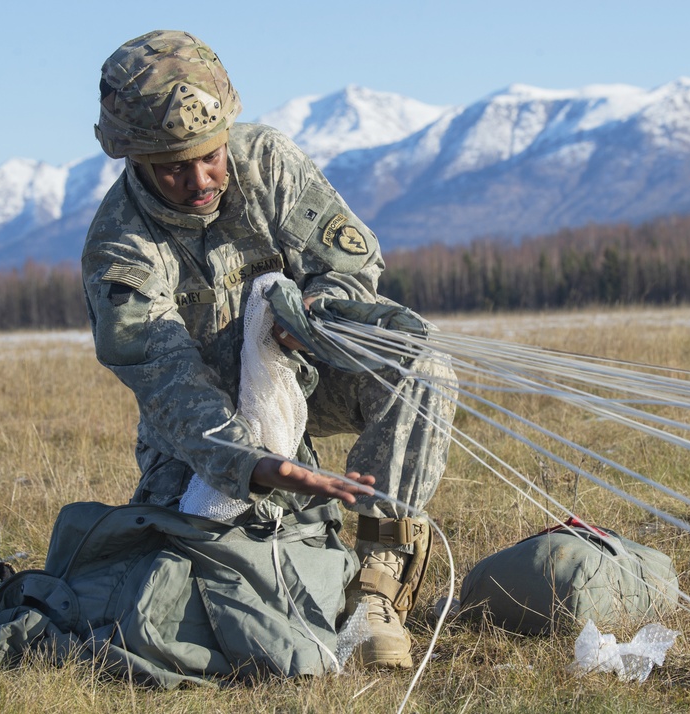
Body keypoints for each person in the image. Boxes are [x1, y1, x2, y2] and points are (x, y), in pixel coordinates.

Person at [82, 29, 456, 670]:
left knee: (417, 363)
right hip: (200, 435)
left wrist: (315, 312)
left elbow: (351, 266)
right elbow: (172, 386)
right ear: (133, 158)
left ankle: (378, 582)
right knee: (185, 572)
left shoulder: (269, 162)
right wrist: (256, 465)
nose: (199, 180)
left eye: (210, 156)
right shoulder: (120, 248)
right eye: (172, 166)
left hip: (306, 383)